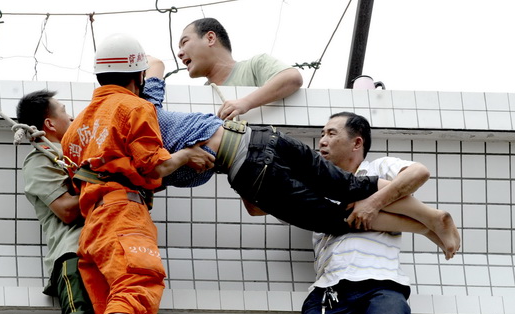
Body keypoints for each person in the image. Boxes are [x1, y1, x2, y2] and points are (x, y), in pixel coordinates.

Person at [142, 57, 460, 259]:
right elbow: (154, 64)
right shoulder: (146, 106)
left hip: (250, 167)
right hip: (262, 137)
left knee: (334, 220)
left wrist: (183, 157)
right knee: (350, 186)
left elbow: (159, 169)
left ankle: (424, 227)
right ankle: (431, 218)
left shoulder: (143, 156)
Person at [61, 33, 214, 314]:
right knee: (138, 281)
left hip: (93, 226)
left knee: (108, 306)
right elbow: (157, 164)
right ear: (139, 75)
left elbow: (76, 183)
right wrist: (187, 155)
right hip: (123, 213)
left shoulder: (74, 130)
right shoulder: (135, 107)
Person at [18, 89, 183, 314]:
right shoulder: (40, 158)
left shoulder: (84, 155)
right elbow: (67, 210)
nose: (70, 116)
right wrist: (104, 186)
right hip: (73, 254)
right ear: (49, 124)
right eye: (63, 110)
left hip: (110, 247)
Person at [299, 112, 433, 314]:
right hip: (330, 287)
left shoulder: (378, 168)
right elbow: (262, 207)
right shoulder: (313, 180)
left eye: (331, 133)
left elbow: (419, 172)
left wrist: (373, 203)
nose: (322, 141)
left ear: (356, 143)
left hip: (381, 283)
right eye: (322, 134)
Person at [177, 17, 303, 120]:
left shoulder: (254, 65)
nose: (179, 53)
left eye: (185, 42)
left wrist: (245, 103)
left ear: (210, 38)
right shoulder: (200, 96)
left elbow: (292, 77)